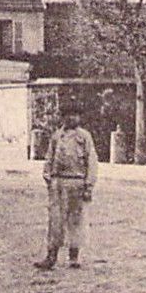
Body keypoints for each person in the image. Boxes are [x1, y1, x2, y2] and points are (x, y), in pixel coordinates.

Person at [35, 101, 98, 270]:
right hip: (58, 183)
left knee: (75, 220)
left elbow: (92, 162)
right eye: (68, 115)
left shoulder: (84, 137)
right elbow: (49, 157)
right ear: (63, 117)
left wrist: (89, 185)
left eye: (75, 115)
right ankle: (51, 256)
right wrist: (48, 177)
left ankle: (74, 256)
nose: (72, 118)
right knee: (55, 220)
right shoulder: (57, 136)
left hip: (76, 182)